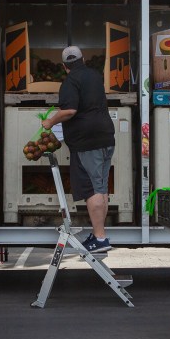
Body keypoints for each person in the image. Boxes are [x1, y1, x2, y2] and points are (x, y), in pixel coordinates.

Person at [41, 45, 116, 253]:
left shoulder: (70, 81)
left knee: (93, 189)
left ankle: (100, 238)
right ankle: (100, 234)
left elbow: (69, 110)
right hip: (105, 137)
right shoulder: (94, 76)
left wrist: (51, 121)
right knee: (101, 187)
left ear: (65, 66)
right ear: (83, 60)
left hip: (87, 142)